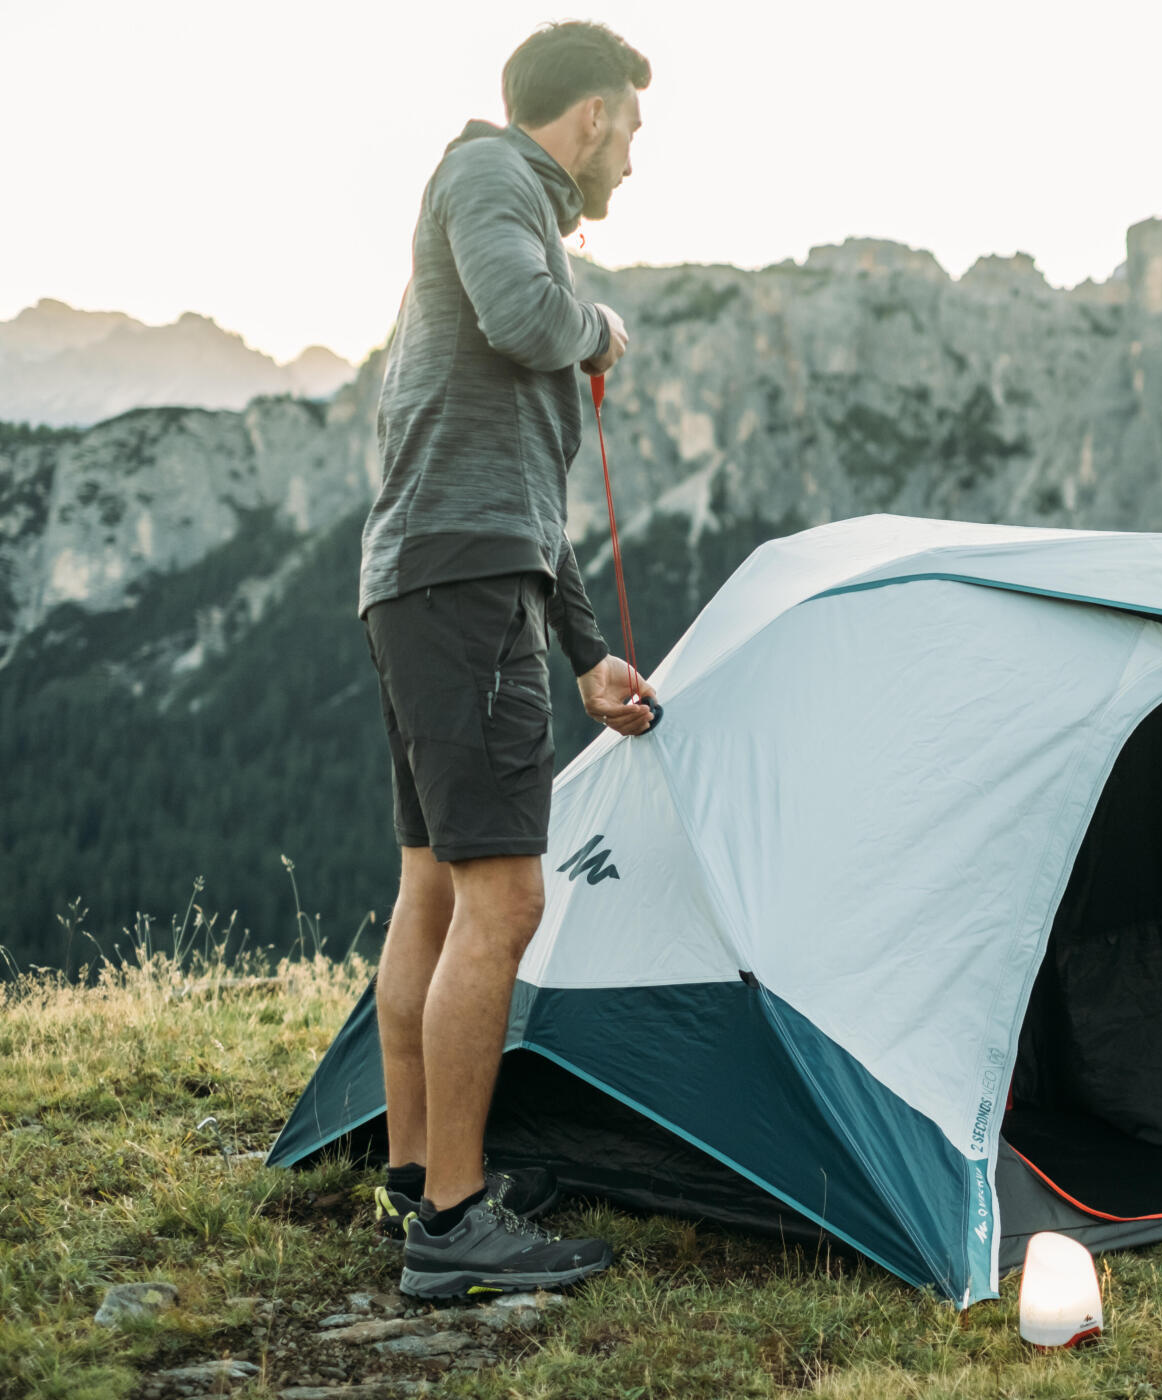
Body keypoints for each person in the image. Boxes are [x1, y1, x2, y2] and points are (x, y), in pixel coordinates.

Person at [356, 20, 656, 1299]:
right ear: (587, 118)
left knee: (434, 883)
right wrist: (601, 329)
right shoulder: (488, 178)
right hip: (458, 589)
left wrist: (585, 653)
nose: (633, 163)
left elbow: (521, 501)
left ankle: (426, 1176)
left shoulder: (506, 195)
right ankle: (460, 1228)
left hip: (445, 576)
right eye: (632, 131)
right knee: (506, 898)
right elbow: (530, 316)